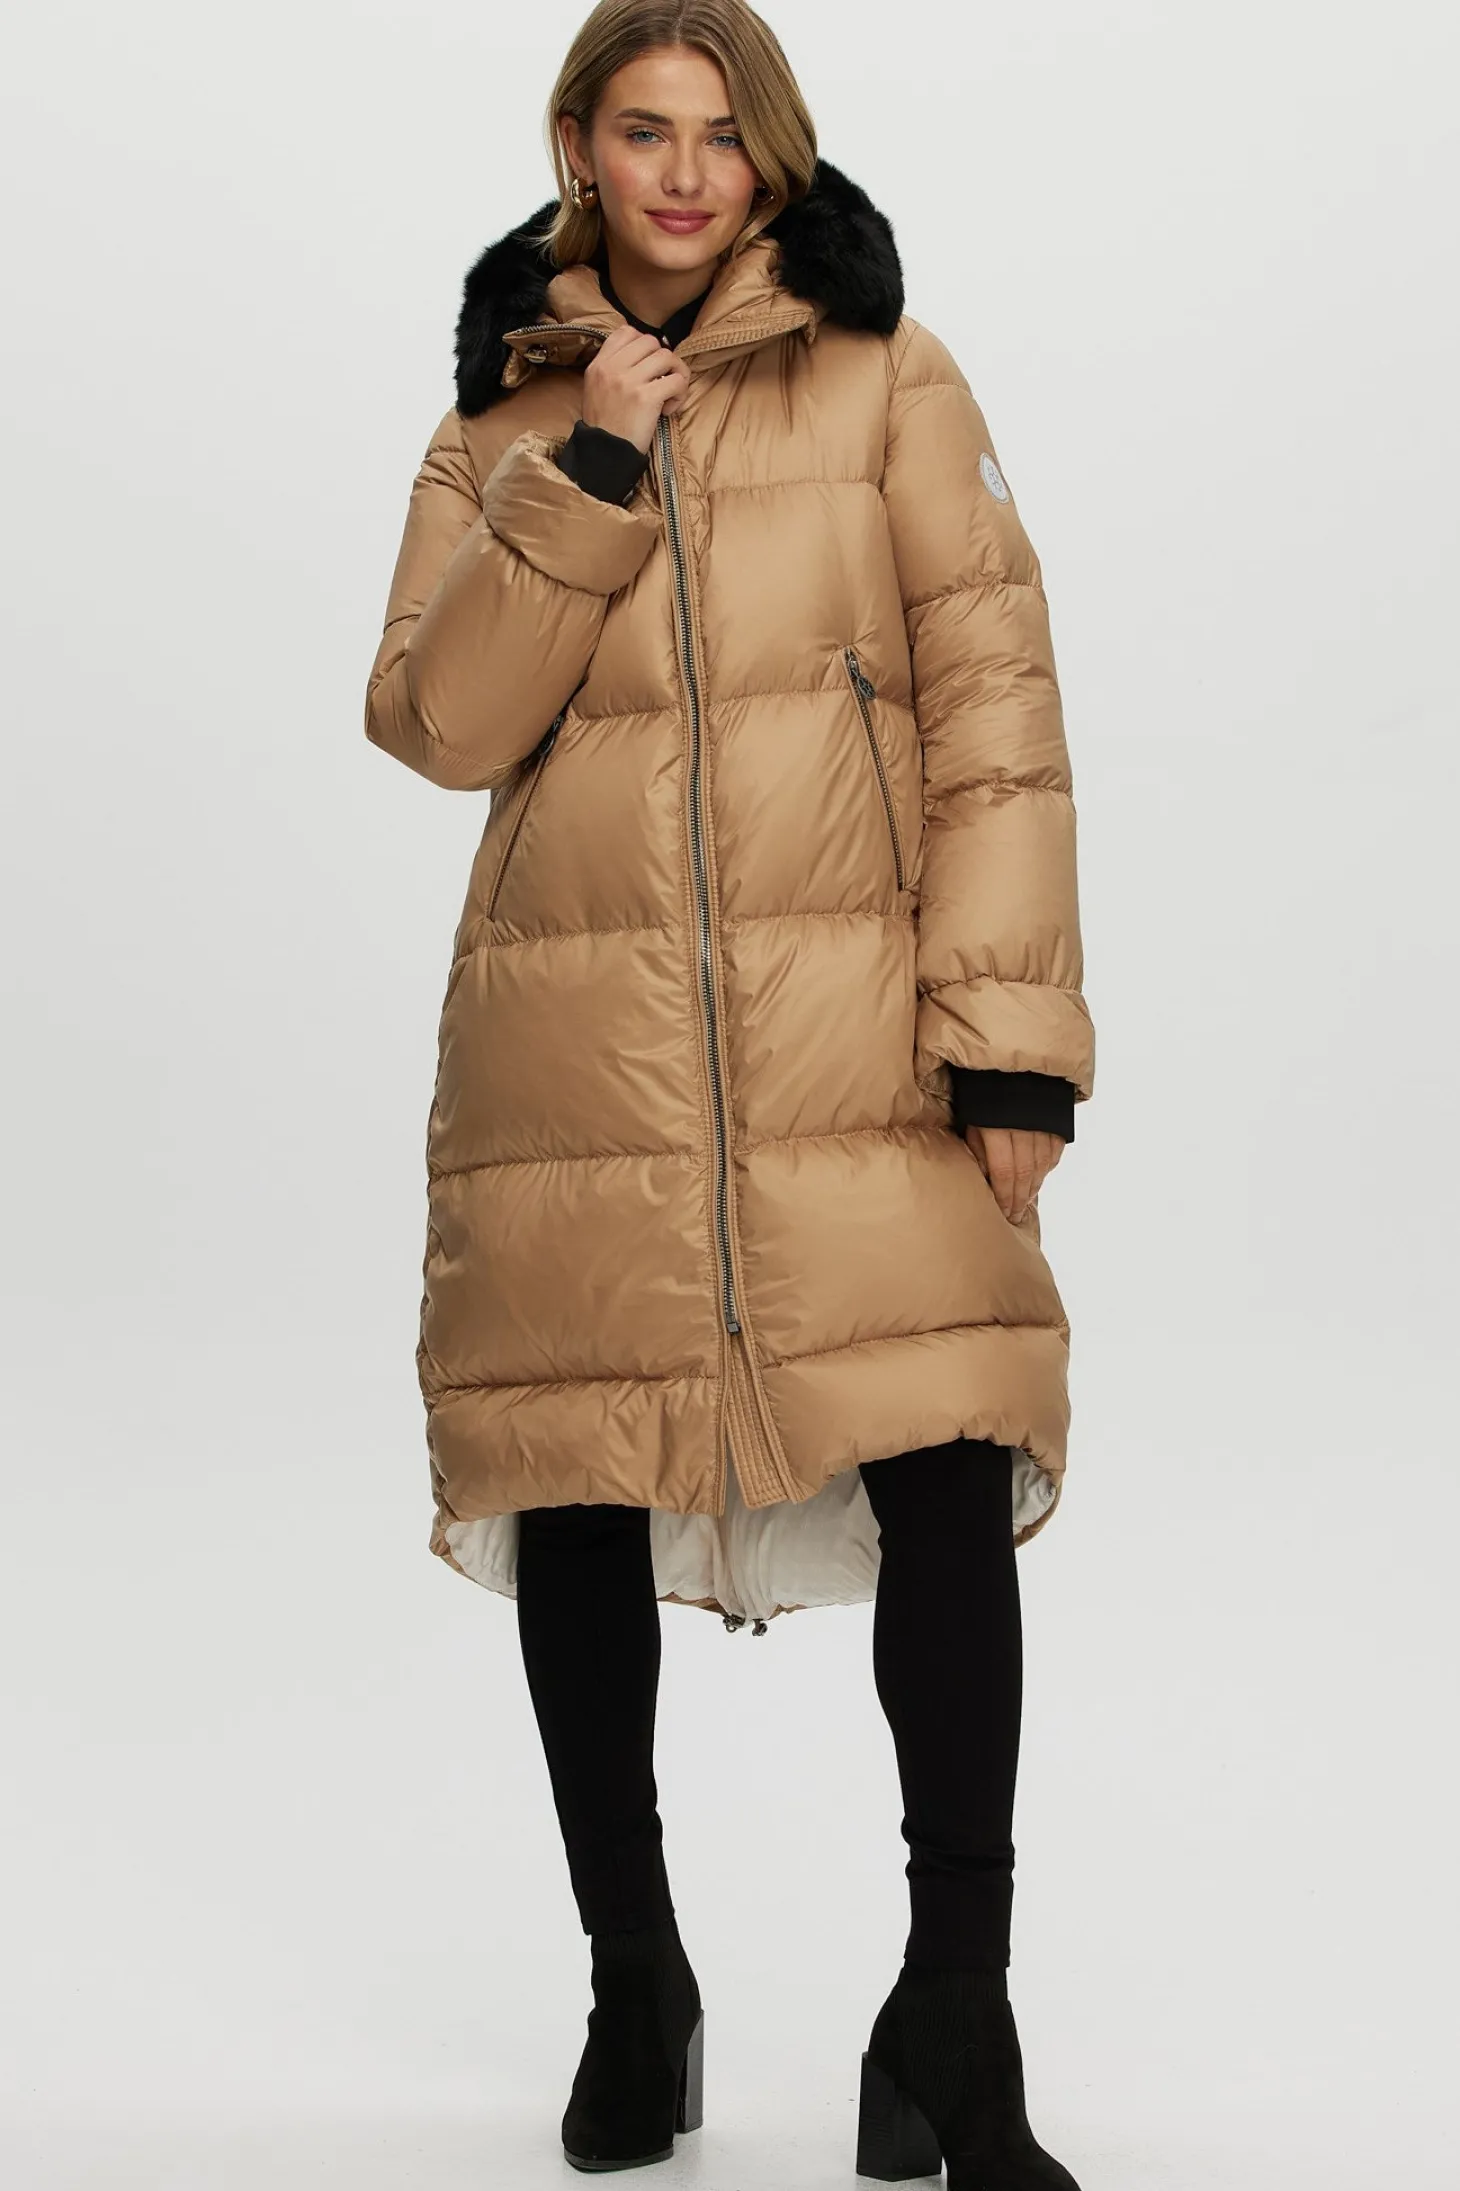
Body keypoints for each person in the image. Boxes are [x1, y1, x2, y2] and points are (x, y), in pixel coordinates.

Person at [363, 4, 1094, 2182]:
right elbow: (438, 723)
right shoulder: (499, 413)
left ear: (772, 156)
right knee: (581, 1483)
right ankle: (636, 1984)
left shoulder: (891, 376)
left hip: (860, 1025)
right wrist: (592, 465)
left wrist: (1011, 1038)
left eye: (722, 135)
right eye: (642, 130)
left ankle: (955, 2013)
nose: (684, 174)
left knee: (946, 1459)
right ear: (577, 146)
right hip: (578, 1046)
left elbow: (997, 708)